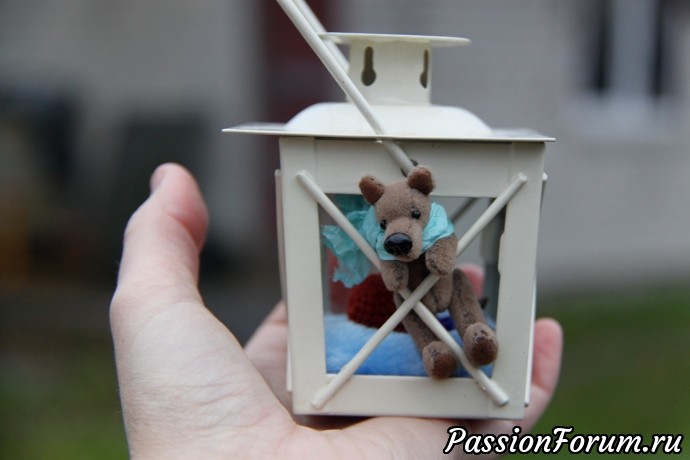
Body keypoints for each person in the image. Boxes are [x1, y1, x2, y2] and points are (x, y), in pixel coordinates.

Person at [110, 163, 563, 459]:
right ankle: (435, 354)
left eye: (409, 218)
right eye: (385, 224)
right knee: (407, 313)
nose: (397, 230)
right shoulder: (386, 247)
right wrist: (393, 272)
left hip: (448, 287)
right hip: (410, 307)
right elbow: (392, 277)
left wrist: (441, 255)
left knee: (464, 292)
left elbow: (444, 251)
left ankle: (477, 338)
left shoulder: (437, 225)